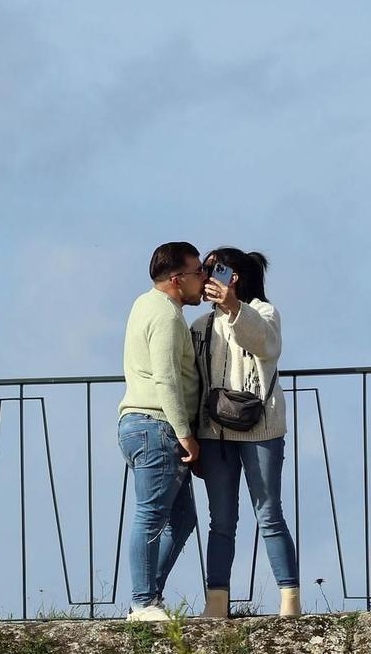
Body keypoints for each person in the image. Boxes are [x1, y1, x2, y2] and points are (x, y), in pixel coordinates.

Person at [192, 247, 299, 619]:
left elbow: (266, 344)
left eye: (210, 270)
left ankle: (290, 601)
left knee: (269, 513)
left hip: (263, 428)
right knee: (220, 520)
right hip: (214, 432)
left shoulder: (264, 313)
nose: (203, 276)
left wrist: (235, 307)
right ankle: (216, 603)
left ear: (231, 277)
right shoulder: (201, 325)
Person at [118, 241, 206, 621]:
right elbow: (166, 379)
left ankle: (149, 596)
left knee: (182, 519)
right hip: (157, 424)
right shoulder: (168, 317)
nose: (203, 280)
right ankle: (143, 602)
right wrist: (186, 433)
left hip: (142, 425)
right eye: (198, 272)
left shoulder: (145, 303)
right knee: (151, 516)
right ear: (177, 279)